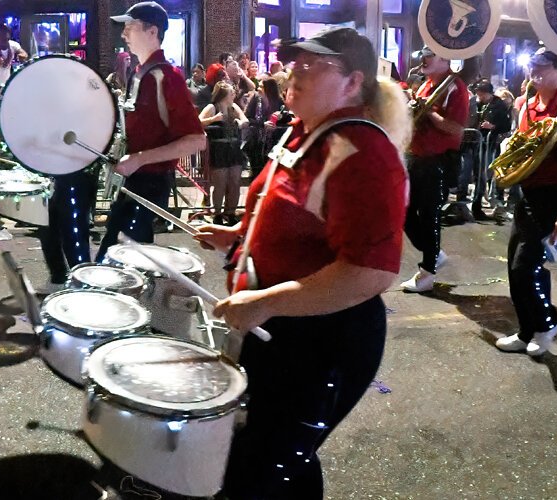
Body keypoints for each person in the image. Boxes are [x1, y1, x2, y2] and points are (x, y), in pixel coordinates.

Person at [194, 27, 407, 498]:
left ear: (352, 83)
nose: (296, 73)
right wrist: (236, 235)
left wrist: (265, 301)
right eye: (296, 64)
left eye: (314, 66)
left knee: (261, 468)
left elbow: (370, 273)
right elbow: (287, 210)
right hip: (278, 324)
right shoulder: (303, 131)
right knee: (281, 460)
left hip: (324, 340)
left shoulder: (364, 153)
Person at [491, 49, 557, 357]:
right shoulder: (526, 105)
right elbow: (522, 147)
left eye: (542, 65)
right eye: (532, 63)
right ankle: (526, 330)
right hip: (527, 193)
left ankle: (548, 322)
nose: (534, 68)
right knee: (516, 265)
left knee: (524, 267)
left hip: (551, 197)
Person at [98, 1, 206, 258]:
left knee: (121, 258)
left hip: (151, 182)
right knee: (121, 255)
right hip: (134, 180)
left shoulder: (167, 77)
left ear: (152, 32)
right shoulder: (138, 75)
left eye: (130, 27)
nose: (124, 34)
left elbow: (196, 141)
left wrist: (139, 159)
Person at [397, 47, 468, 293]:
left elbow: (456, 129)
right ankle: (434, 254)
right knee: (404, 211)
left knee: (430, 216)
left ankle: (427, 272)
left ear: (446, 59)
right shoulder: (427, 84)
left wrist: (430, 114)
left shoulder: (455, 87)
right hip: (416, 155)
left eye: (430, 55)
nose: (424, 59)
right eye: (424, 55)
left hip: (437, 160)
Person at [199, 82, 248, 225]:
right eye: (231, 93)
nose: (234, 95)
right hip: (218, 148)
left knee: (235, 182)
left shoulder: (234, 107)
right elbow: (198, 122)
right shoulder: (212, 107)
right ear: (223, 94)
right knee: (220, 183)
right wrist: (213, 119)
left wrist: (240, 122)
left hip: (233, 148)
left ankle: (230, 212)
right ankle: (218, 213)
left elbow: (244, 120)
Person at [469, 80, 510, 219]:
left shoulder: (499, 106)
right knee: (475, 174)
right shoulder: (475, 103)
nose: (479, 97)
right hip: (473, 142)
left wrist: (492, 126)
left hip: (489, 144)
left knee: (484, 174)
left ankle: (481, 203)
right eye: (478, 94)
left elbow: (506, 125)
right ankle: (475, 204)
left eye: (482, 94)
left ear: (489, 93)